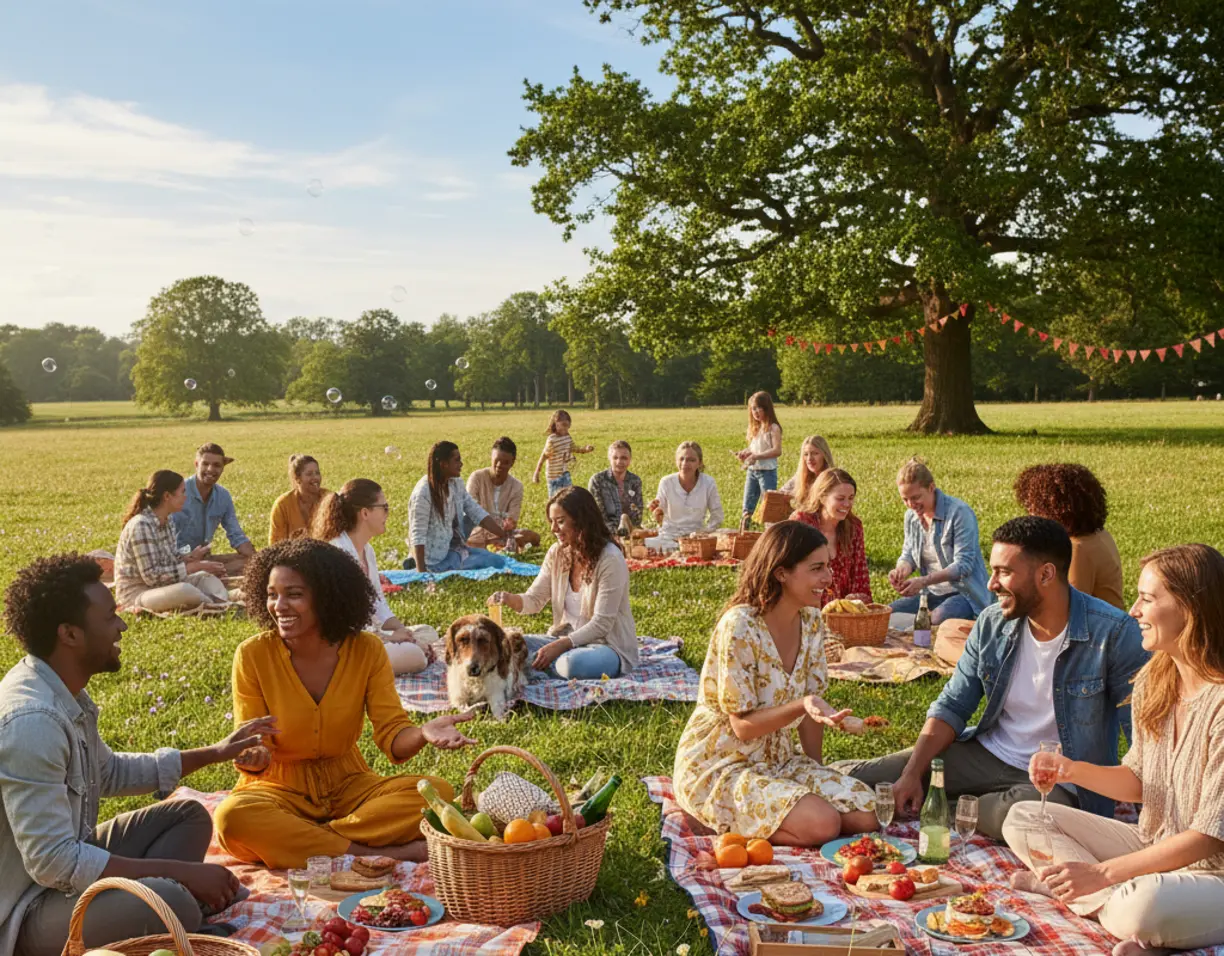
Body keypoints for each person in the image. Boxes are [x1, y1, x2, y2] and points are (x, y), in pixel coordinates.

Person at [0, 554, 278, 956]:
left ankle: (164, 912)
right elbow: (54, 863)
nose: (122, 624)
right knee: (173, 900)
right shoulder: (33, 721)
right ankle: (176, 911)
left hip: (61, 876)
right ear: (70, 634)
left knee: (188, 815)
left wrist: (216, 752)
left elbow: (108, 772)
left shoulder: (61, 690)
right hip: (26, 910)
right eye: (110, 616)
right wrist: (178, 873)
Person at [834, 517, 1148, 840]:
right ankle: (937, 802)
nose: (991, 584)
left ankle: (944, 808)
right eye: (993, 570)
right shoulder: (992, 623)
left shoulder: (1114, 634)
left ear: (1046, 574)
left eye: (1004, 572)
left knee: (1027, 819)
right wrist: (912, 773)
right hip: (987, 754)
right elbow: (952, 706)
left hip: (1059, 784)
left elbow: (1145, 738)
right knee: (864, 778)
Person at [1002, 544, 1224, 956]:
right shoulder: (1155, 683)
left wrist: (1102, 873)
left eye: (1148, 598)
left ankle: (1107, 904)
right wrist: (1070, 770)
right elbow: (1140, 783)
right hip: (1155, 843)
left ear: (1190, 609)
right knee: (1024, 817)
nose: (1134, 611)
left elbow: (1208, 837)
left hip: (1216, 876)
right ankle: (1107, 906)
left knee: (1143, 906)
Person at [213, 540, 478, 869]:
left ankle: (311, 841)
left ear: (327, 597)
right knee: (233, 819)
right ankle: (370, 853)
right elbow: (252, 741)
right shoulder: (252, 655)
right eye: (272, 594)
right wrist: (252, 756)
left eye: (293, 594)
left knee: (437, 792)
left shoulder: (366, 650)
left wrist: (423, 732)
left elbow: (392, 735)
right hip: (277, 790)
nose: (279, 605)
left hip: (350, 787)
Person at [673, 521, 877, 845]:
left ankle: (779, 816)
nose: (828, 578)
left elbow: (813, 711)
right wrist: (802, 706)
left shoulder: (811, 621)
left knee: (866, 813)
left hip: (780, 760)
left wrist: (815, 774)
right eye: (817, 568)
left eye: (828, 566)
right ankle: (719, 818)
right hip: (725, 764)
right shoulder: (740, 626)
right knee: (824, 825)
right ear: (781, 573)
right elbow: (742, 727)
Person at [488, 487, 637, 679]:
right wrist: (509, 599)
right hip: (562, 640)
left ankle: (530, 668)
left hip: (605, 646)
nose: (553, 529)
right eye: (552, 522)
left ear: (582, 520)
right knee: (509, 645)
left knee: (570, 664)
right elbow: (534, 599)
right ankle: (532, 666)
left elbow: (602, 624)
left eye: (560, 521)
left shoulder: (610, 559)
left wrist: (560, 646)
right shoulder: (557, 553)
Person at [314, 479, 435, 676]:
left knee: (427, 632)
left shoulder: (367, 551)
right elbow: (347, 627)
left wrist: (405, 633)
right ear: (365, 513)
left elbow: (378, 605)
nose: (387, 514)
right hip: (343, 646)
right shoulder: (337, 554)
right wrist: (392, 639)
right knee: (415, 656)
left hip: (370, 636)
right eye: (384, 507)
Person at [887, 456, 992, 623]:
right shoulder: (911, 517)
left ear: (931, 487)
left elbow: (963, 565)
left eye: (915, 497)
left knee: (937, 619)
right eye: (905, 499)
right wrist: (900, 570)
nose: (910, 504)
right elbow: (908, 554)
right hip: (930, 593)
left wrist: (923, 581)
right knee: (888, 614)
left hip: (965, 593)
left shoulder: (959, 513)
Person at [114, 471, 230, 613]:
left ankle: (224, 600)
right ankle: (218, 604)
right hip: (138, 594)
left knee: (204, 578)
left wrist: (190, 557)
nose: (185, 497)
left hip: (163, 587)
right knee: (185, 590)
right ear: (167, 496)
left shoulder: (167, 521)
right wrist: (192, 567)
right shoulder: (141, 525)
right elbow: (152, 576)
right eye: (182, 492)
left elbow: (170, 559)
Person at [1014, 463, 1124, 609]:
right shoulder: (1099, 535)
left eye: (1033, 509)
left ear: (1055, 510)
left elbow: (1064, 614)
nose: (1030, 517)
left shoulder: (1077, 549)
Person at [406, 442, 510, 574]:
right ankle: (414, 564)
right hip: (433, 562)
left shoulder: (455, 483)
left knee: (497, 561)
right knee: (489, 563)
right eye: (457, 460)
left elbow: (476, 511)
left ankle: (458, 556)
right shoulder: (423, 493)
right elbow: (417, 535)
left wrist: (503, 534)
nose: (461, 464)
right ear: (443, 464)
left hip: (452, 549)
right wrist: (422, 574)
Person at [789, 469, 872, 607]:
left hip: (842, 614)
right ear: (822, 497)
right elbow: (791, 572)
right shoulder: (802, 522)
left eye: (851, 498)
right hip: (805, 606)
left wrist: (856, 600)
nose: (847, 504)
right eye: (840, 499)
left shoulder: (854, 527)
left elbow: (860, 573)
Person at [170, 443, 255, 575]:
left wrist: (256, 558)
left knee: (251, 563)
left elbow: (236, 534)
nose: (210, 469)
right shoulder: (179, 492)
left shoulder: (223, 496)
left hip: (204, 559)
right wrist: (187, 558)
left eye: (216, 465)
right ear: (196, 464)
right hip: (176, 562)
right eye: (205, 464)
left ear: (222, 468)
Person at [465, 437, 540, 550]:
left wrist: (510, 523)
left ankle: (505, 547)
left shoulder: (516, 486)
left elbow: (512, 517)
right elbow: (472, 512)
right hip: (477, 533)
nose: (499, 465)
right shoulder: (476, 477)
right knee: (471, 539)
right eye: (496, 460)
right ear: (491, 458)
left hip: (503, 534)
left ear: (512, 463)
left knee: (532, 536)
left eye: (505, 462)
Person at [648, 441, 726, 552]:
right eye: (682, 459)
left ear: (699, 463)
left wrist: (704, 532)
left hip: (696, 536)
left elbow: (717, 515)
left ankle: (685, 548)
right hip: (669, 536)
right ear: (676, 461)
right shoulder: (666, 482)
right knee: (645, 543)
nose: (685, 463)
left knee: (726, 537)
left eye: (691, 460)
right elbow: (659, 512)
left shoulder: (708, 482)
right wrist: (655, 510)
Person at [735, 391, 782, 526]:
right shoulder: (756, 428)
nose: (755, 412)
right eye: (752, 409)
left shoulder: (773, 428)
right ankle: (744, 529)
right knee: (748, 502)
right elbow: (753, 448)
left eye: (758, 408)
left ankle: (769, 531)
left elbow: (777, 450)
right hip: (752, 471)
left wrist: (756, 456)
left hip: (767, 472)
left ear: (766, 408)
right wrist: (745, 453)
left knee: (767, 504)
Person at [532, 409, 594, 498]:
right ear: (556, 423)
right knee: (555, 501)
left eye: (568, 426)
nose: (566, 428)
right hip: (553, 477)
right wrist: (536, 473)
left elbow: (574, 448)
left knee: (569, 498)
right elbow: (544, 456)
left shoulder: (567, 437)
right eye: (563, 425)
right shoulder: (552, 439)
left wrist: (585, 449)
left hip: (565, 474)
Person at [588, 440, 644, 535]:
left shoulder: (635, 481)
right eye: (615, 458)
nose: (619, 462)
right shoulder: (598, 480)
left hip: (631, 531)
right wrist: (617, 534)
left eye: (624, 458)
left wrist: (631, 531)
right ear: (609, 458)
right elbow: (598, 515)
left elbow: (638, 513)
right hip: (604, 532)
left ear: (630, 459)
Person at [268, 454, 327, 545]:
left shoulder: (329, 499)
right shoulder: (282, 504)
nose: (315, 478)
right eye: (309, 474)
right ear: (297, 479)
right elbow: (275, 544)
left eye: (317, 473)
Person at [778, 435, 836, 500]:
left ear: (825, 455)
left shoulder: (834, 479)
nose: (810, 458)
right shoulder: (799, 478)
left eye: (815, 453)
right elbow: (778, 496)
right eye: (806, 454)